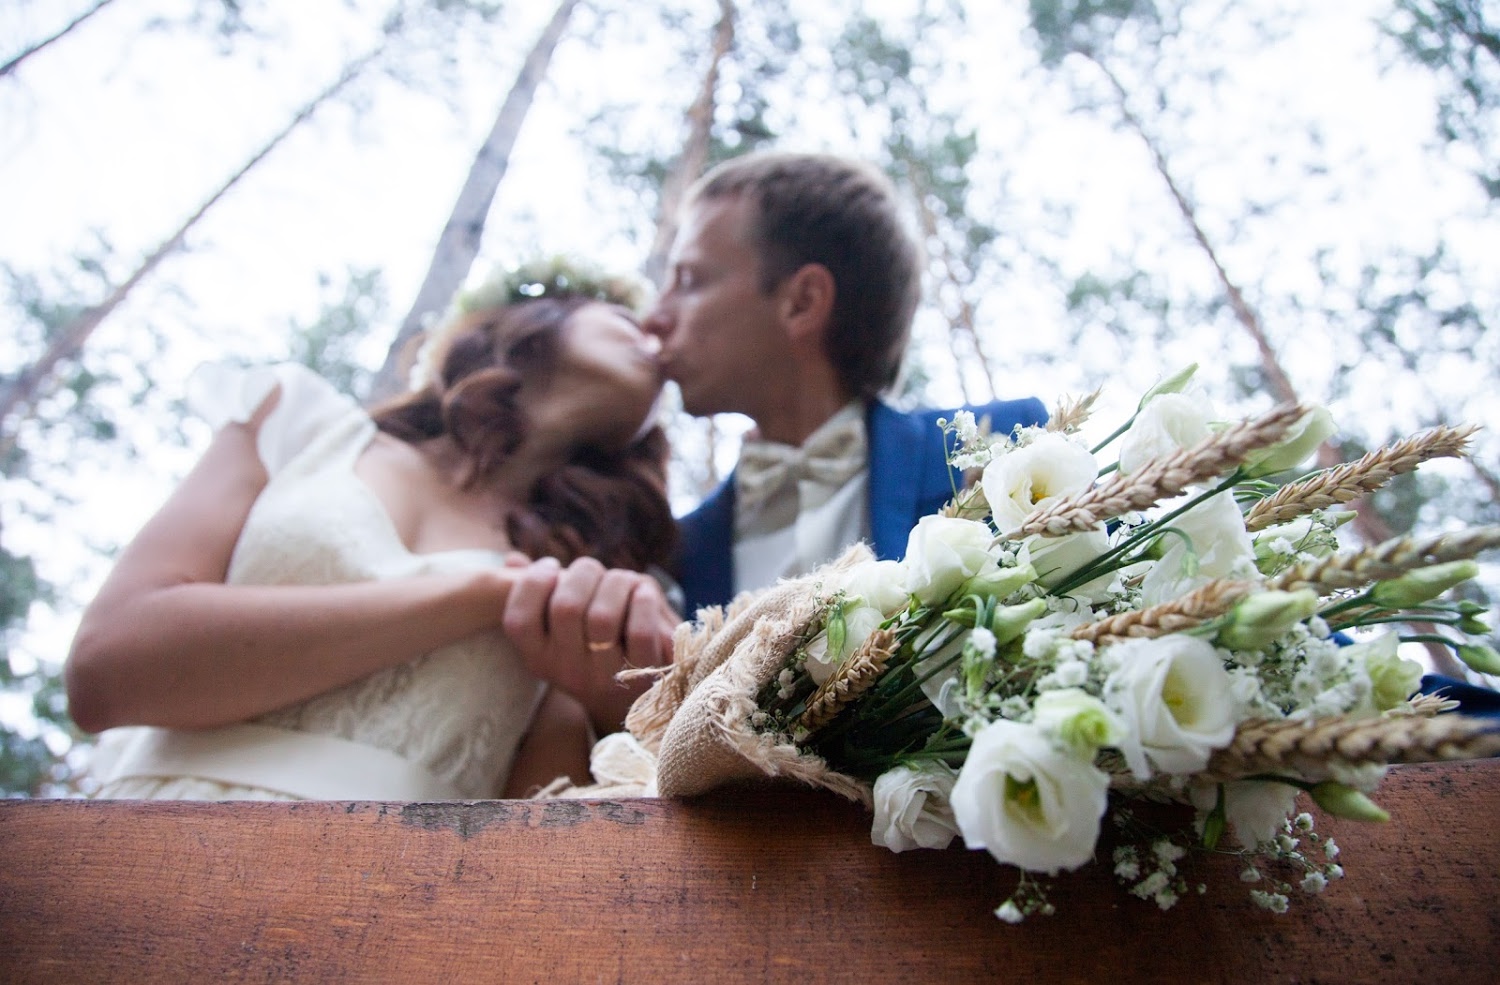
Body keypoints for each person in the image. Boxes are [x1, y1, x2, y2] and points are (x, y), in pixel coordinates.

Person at [66, 288, 681, 801]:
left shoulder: (590, 585)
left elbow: (533, 837)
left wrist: (608, 705)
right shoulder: (297, 423)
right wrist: (480, 595)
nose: (655, 338)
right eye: (628, 318)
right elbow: (106, 668)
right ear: (536, 321)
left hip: (386, 910)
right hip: (134, 847)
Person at [503, 151, 1047, 669]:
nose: (653, 320)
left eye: (688, 280)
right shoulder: (676, 555)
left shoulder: (1011, 453)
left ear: (802, 302)